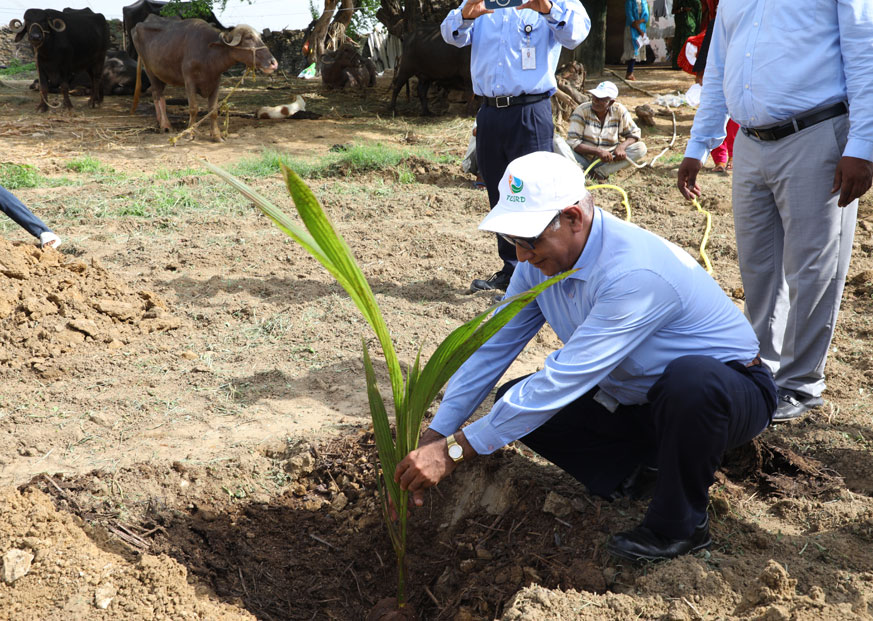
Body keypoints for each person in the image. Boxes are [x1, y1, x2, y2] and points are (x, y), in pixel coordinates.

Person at [395, 151, 777, 562]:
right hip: (641, 402)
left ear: (574, 218)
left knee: (690, 381)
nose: (521, 255)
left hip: (728, 394)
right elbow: (492, 348)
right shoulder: (537, 265)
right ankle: (644, 472)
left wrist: (454, 451)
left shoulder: (633, 273)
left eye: (530, 240)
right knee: (516, 399)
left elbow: (564, 379)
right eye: (512, 242)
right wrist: (437, 435)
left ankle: (679, 527)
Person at [677, 0, 873, 423]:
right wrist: (700, 142)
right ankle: (761, 368)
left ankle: (801, 384)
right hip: (750, 142)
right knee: (758, 265)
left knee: (813, 267)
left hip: (816, 133)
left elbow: (866, 54)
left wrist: (862, 145)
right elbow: (719, 65)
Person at [441, 0, 590, 294]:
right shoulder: (483, 1)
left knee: (537, 194)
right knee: (501, 193)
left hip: (530, 111)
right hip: (490, 112)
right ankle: (512, 271)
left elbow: (576, 33)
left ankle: (544, 275)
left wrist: (547, 8)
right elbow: (450, 33)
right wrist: (465, 15)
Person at [565, 80, 647, 180]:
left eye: (601, 99)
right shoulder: (582, 110)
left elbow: (634, 133)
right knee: (556, 142)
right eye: (594, 97)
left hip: (608, 160)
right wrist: (598, 151)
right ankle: (580, 172)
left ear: (611, 102)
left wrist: (621, 147)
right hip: (582, 159)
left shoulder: (619, 110)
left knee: (641, 148)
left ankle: (600, 173)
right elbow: (573, 141)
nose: (595, 101)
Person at [621, 0, 649, 81]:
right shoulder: (629, 2)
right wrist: (639, 30)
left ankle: (629, 73)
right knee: (632, 50)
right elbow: (630, 18)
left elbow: (646, 17)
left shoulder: (644, 2)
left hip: (641, 28)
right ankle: (629, 73)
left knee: (636, 49)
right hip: (631, 29)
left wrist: (640, 22)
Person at [671, 0, 701, 71]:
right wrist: (682, 10)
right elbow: (673, 11)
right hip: (682, 27)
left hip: (689, 28)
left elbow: (699, 16)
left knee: (687, 46)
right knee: (680, 45)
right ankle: (678, 64)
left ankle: (684, 64)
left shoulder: (696, 2)